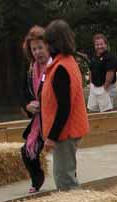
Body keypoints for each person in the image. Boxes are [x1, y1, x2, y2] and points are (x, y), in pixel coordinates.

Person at [41, 19, 90, 190]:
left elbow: (64, 107)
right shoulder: (67, 62)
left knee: (65, 179)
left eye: (46, 43)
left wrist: (52, 137)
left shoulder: (61, 68)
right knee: (67, 173)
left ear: (53, 44)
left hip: (66, 132)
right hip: (69, 129)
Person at [20, 26, 50, 194]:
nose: (38, 52)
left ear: (47, 46)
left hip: (54, 118)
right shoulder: (30, 69)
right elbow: (23, 94)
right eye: (34, 49)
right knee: (26, 151)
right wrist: (28, 106)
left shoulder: (54, 65)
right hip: (39, 119)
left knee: (63, 154)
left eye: (40, 47)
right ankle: (37, 179)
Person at [87, 33, 117, 112]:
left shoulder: (110, 57)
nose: (99, 46)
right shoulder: (93, 57)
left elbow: (110, 72)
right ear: (94, 46)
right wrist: (91, 84)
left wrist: (105, 87)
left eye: (101, 44)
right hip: (94, 88)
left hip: (106, 88)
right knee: (92, 110)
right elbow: (90, 70)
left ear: (105, 44)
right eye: (97, 44)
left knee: (106, 113)